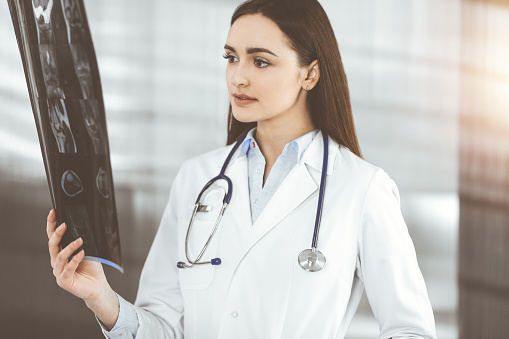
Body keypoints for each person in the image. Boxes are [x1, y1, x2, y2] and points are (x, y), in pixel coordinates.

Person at [46, 0, 438, 338]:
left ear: (310, 74)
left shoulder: (362, 188)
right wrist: (103, 299)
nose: (239, 76)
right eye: (231, 57)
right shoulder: (197, 180)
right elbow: (164, 327)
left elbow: (411, 329)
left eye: (260, 61)